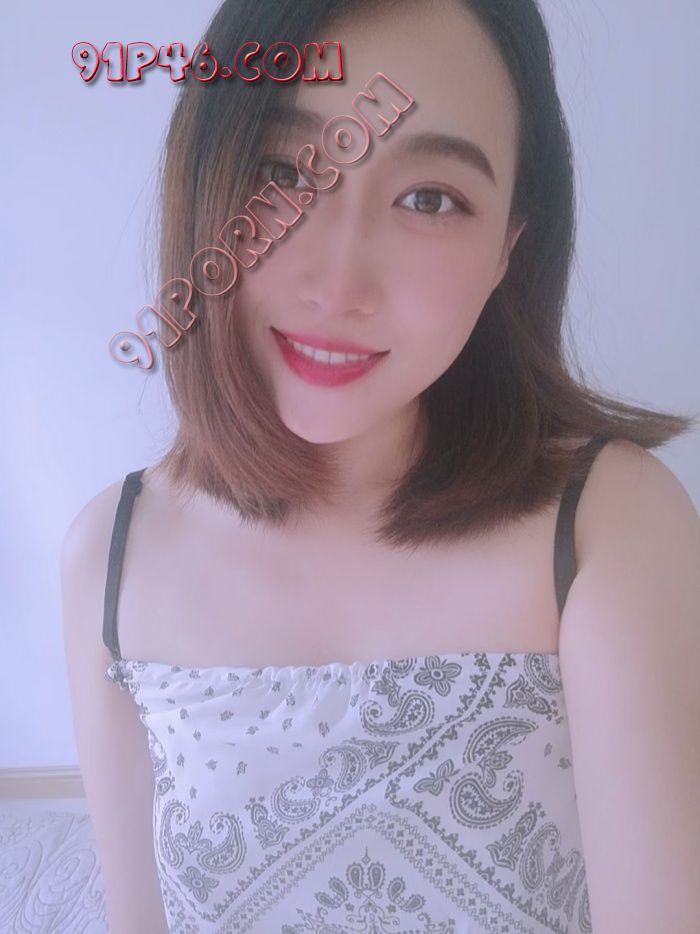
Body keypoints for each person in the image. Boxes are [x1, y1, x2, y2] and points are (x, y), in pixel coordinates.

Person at [60, 0, 700, 931]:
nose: (338, 285)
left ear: (508, 248)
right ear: (203, 184)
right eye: (282, 172)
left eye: (430, 199)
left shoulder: (609, 525)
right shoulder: (108, 557)